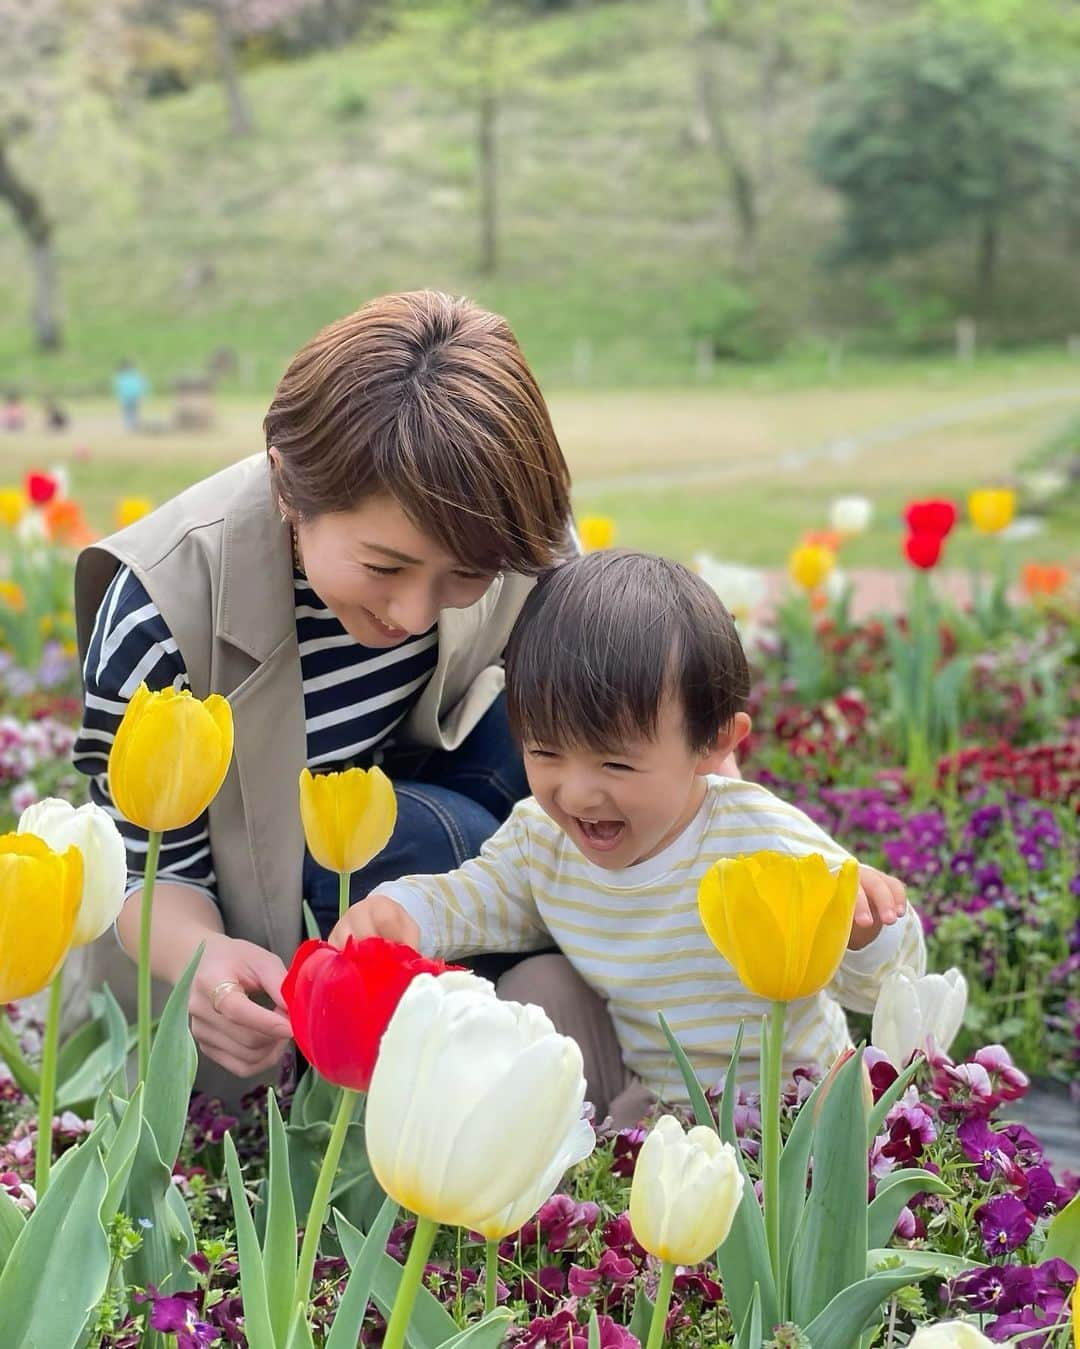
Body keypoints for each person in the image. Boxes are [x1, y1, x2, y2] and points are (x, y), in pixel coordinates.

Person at [73, 292, 575, 1098]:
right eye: (384, 567)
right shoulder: (160, 609)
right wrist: (201, 961)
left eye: (464, 577)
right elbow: (137, 867)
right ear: (285, 484)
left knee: (569, 694)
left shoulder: (505, 532)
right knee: (427, 843)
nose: (412, 613)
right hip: (252, 940)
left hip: (419, 842)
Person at [333, 550, 924, 1126]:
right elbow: (482, 895)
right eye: (545, 753)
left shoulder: (761, 842)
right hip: (655, 1095)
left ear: (714, 742)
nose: (579, 793)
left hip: (787, 1109)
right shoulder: (544, 838)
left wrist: (867, 934)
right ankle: (569, 1153)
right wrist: (405, 912)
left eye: (616, 765)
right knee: (538, 986)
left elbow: (885, 991)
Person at [112, 359, 149, 430]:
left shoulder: (120, 376)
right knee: (134, 412)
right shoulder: (136, 374)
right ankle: (135, 426)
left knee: (127, 413)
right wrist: (143, 394)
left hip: (126, 398)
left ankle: (129, 427)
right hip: (136, 397)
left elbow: (118, 387)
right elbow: (144, 384)